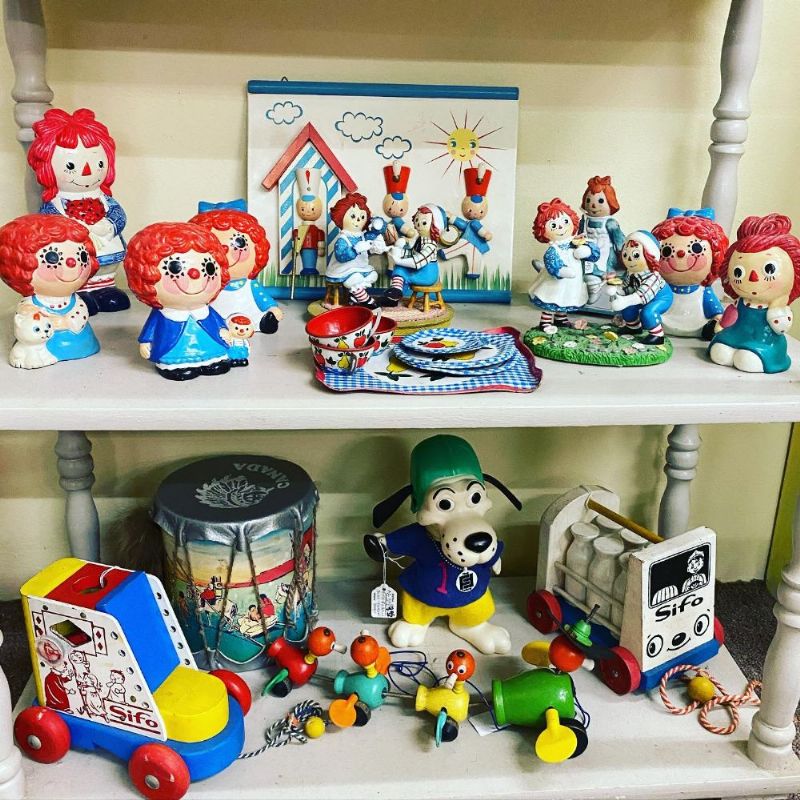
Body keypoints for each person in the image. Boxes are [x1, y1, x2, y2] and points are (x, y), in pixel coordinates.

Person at [27, 108, 129, 313]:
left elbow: (119, 215)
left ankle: (104, 290)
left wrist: (109, 224)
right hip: (74, 259)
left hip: (106, 251)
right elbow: (50, 226)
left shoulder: (104, 200)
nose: (87, 172)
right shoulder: (54, 204)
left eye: (99, 163)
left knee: (108, 283)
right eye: (72, 165)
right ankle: (78, 291)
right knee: (72, 268)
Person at [709, 213, 800, 373]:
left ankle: (757, 357)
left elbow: (781, 328)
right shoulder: (740, 302)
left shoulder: (777, 308)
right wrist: (723, 324)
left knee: (747, 359)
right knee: (719, 352)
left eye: (769, 269)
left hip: (764, 341)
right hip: (736, 334)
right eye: (738, 272)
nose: (753, 278)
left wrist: (778, 308)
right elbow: (732, 314)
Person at [529, 198, 600, 329]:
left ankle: (561, 319)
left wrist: (586, 250)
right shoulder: (553, 249)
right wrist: (561, 270)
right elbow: (551, 262)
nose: (561, 227)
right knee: (552, 298)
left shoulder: (577, 241)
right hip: (554, 282)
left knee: (566, 298)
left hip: (572, 283)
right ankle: (545, 321)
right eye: (553, 226)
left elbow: (594, 251)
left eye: (565, 221)